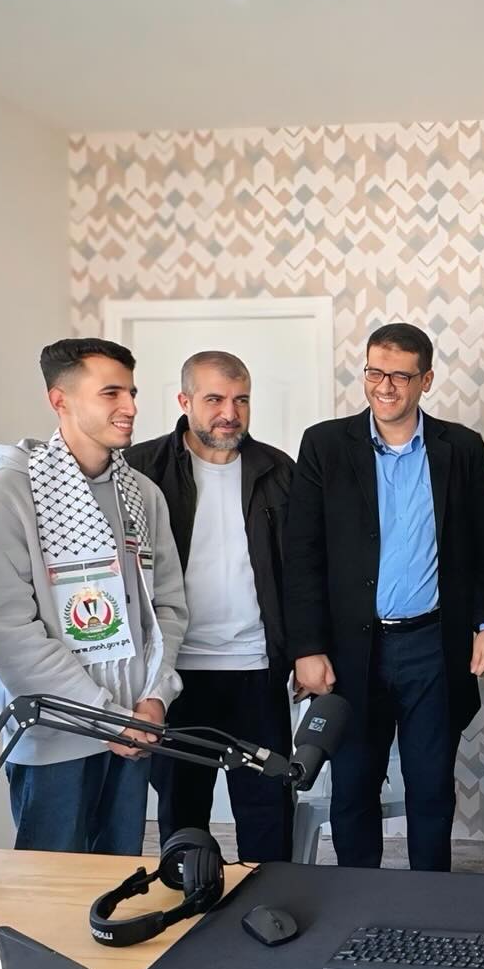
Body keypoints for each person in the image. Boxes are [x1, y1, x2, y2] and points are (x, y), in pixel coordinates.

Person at [286, 323, 484, 871]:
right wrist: (307, 647)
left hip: (432, 645)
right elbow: (302, 553)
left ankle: (430, 900)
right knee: (353, 785)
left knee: (431, 788)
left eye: (400, 376)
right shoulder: (324, 445)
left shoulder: (461, 448)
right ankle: (358, 900)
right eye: (374, 372)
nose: (384, 387)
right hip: (351, 650)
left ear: (425, 380)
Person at [0, 338, 187, 855]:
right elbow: (12, 634)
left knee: (120, 877)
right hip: (55, 737)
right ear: (59, 400)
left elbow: (167, 608)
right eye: (111, 393)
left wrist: (155, 697)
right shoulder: (6, 495)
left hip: (134, 725)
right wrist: (101, 716)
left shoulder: (142, 493)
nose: (130, 407)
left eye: (131, 392)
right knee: (50, 884)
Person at [125, 351, 296, 863]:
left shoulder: (277, 470)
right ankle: (188, 900)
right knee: (182, 812)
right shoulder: (141, 469)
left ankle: (270, 902)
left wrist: (307, 649)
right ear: (184, 401)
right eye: (215, 399)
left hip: (256, 667)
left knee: (268, 809)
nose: (230, 413)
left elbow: (304, 569)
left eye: (241, 400)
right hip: (175, 672)